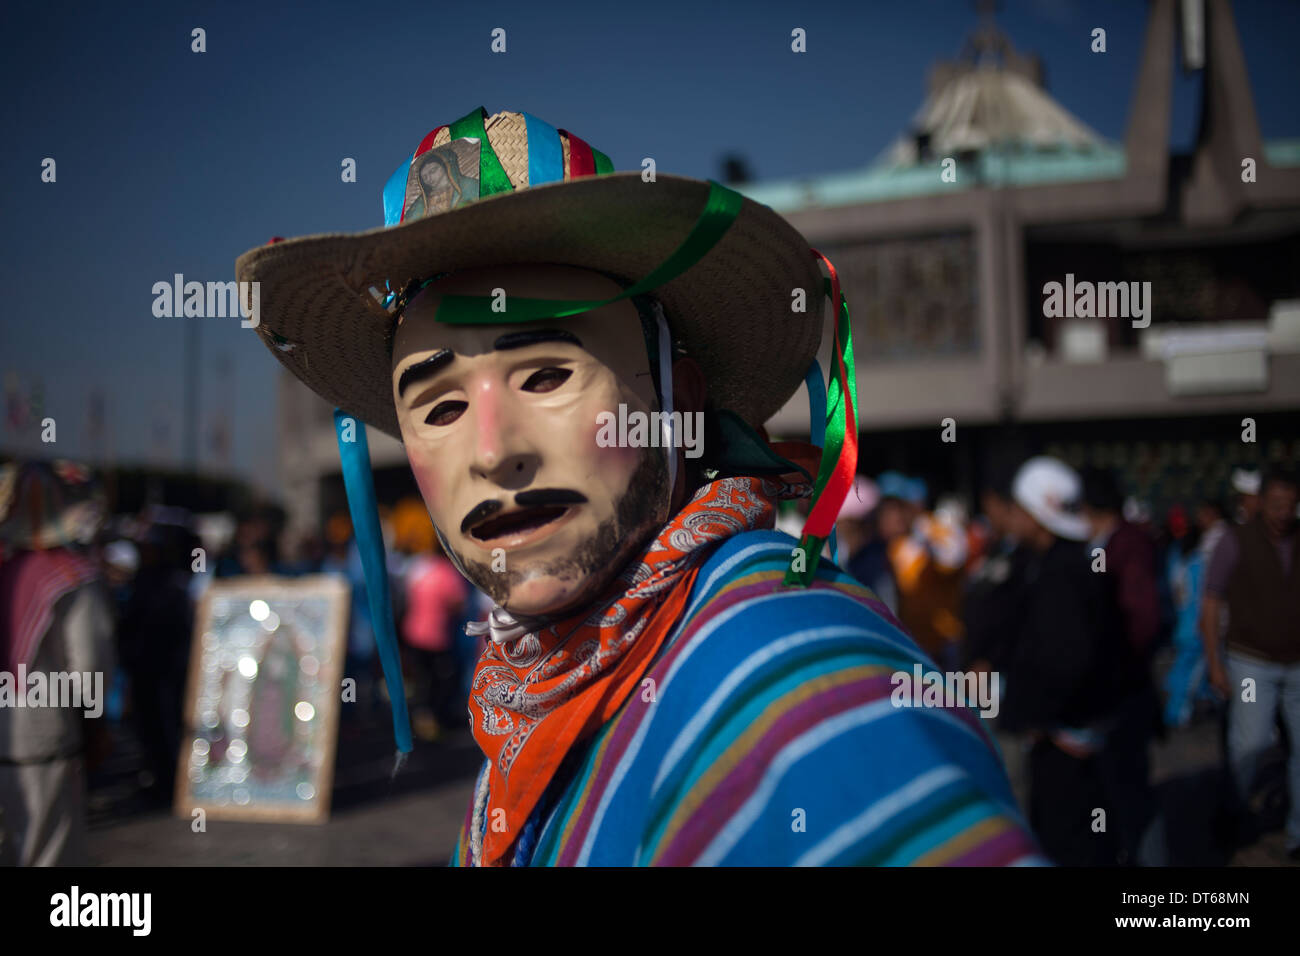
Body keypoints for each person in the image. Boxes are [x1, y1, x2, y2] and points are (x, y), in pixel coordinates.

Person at [238, 106, 1043, 867]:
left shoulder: (785, 679)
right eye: (441, 406)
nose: (492, 452)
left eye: (547, 375)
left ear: (678, 401)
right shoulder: (528, 696)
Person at [996, 457, 1134, 866]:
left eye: (1020, 508)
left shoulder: (1063, 573)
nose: (1012, 517)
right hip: (1068, 728)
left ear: (1038, 516)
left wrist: (1038, 718)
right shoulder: (1060, 562)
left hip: (1066, 736)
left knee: (1068, 839)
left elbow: (1068, 659)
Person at [0, 460, 115, 865]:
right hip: (44, 735)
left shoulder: (6, 569)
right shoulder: (71, 577)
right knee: (49, 853)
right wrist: (97, 725)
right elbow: (89, 674)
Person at [1201, 468, 1300, 858]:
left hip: (1297, 662)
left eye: (1291, 506)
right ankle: (1234, 813)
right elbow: (1210, 602)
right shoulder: (1235, 540)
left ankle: (1297, 834)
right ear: (1260, 502)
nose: (1283, 513)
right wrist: (1214, 662)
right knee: (1251, 743)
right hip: (1250, 661)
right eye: (1276, 504)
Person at [1163, 506, 1212, 729]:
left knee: (1183, 667)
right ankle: (1177, 711)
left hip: (1182, 623)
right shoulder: (1197, 561)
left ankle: (1178, 704)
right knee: (1192, 670)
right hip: (1195, 626)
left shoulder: (1174, 556)